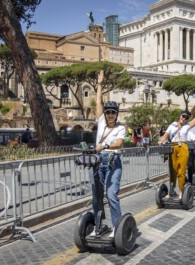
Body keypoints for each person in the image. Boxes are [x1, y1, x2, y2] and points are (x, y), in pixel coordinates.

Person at [89, 70, 125, 238]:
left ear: (117, 114)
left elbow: (119, 144)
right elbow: (98, 103)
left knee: (111, 195)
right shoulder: (102, 122)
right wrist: (100, 84)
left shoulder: (120, 128)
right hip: (97, 162)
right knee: (96, 196)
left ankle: (117, 226)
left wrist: (104, 145)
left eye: (113, 113)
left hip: (113, 162)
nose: (110, 115)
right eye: (108, 112)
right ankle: (98, 225)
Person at [158, 102, 195, 200]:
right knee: (172, 171)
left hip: (183, 147)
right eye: (183, 116)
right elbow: (166, 135)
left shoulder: (187, 126)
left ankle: (181, 192)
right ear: (179, 116)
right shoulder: (172, 125)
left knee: (181, 172)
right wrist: (161, 141)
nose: (184, 118)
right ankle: (172, 191)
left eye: (186, 118)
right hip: (172, 148)